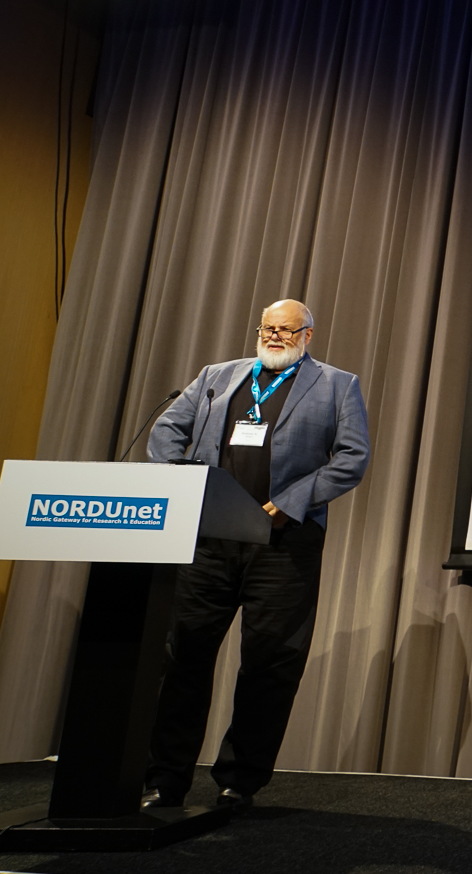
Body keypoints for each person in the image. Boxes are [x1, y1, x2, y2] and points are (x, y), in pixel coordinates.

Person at [142, 298, 370, 810]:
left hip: (283, 546)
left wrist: (292, 503)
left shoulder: (337, 385)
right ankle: (164, 779)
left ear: (307, 336)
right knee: (182, 658)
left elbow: (352, 458)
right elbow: (168, 430)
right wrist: (181, 483)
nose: (274, 336)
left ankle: (239, 781)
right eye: (268, 327)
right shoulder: (217, 376)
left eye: (286, 330)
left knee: (269, 665)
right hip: (208, 539)